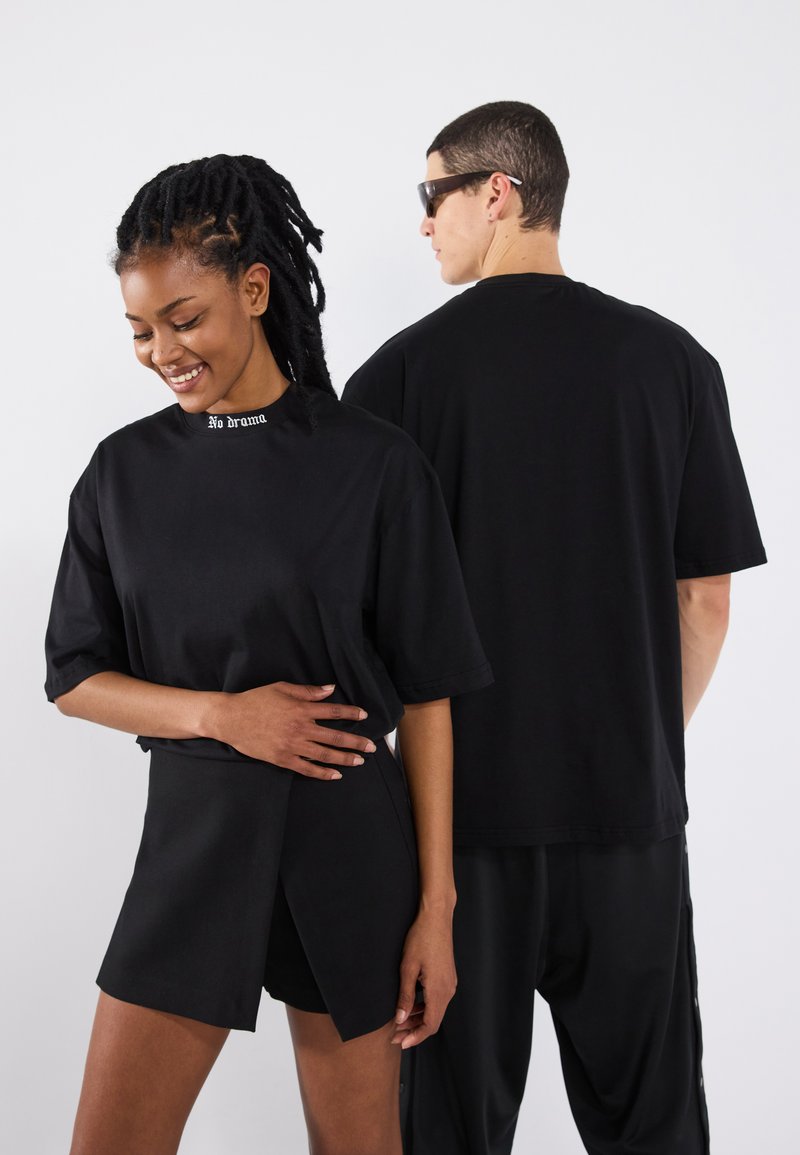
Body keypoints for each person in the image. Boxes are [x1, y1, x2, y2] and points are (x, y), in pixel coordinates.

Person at [43, 153, 493, 1155]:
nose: (163, 351)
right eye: (141, 330)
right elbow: (73, 675)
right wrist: (222, 715)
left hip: (351, 844)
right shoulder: (121, 475)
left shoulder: (375, 464)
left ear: (254, 289)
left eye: (185, 319)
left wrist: (436, 909)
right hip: (194, 840)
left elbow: (428, 698)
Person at [342, 101, 767, 1154]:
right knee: (653, 1130)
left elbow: (362, 623)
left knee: (449, 1130)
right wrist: (636, 740)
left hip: (458, 837)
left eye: (433, 195)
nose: (423, 223)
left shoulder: (395, 381)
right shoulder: (674, 364)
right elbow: (706, 600)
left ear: (497, 193)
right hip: (627, 821)